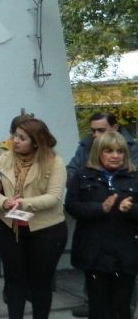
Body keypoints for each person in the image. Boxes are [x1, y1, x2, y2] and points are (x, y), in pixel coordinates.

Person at [0, 117, 67, 319]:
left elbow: (54, 197)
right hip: (10, 227)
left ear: (36, 141)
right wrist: (3, 201)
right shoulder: (5, 157)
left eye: (22, 138)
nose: (15, 140)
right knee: (14, 281)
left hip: (46, 231)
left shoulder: (54, 161)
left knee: (40, 283)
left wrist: (23, 203)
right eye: (15, 136)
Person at [67, 112, 138, 318]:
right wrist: (100, 208)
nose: (115, 156)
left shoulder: (134, 178)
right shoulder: (82, 176)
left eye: (120, 152)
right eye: (109, 151)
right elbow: (72, 206)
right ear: (98, 153)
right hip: (94, 253)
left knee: (121, 308)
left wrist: (130, 209)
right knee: (98, 308)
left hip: (125, 254)